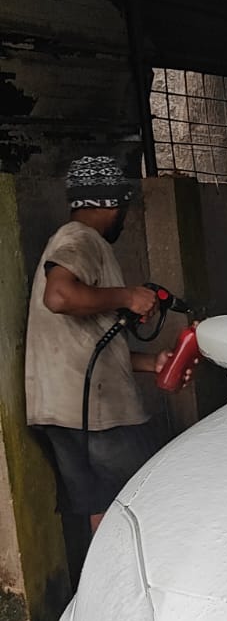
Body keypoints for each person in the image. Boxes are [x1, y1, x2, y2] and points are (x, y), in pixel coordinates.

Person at [24, 154, 192, 532]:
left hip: (68, 411)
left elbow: (88, 341)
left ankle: (110, 585)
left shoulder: (75, 242)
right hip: (97, 415)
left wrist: (152, 363)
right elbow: (60, 297)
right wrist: (128, 297)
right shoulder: (79, 238)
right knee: (147, 502)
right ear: (113, 203)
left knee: (104, 512)